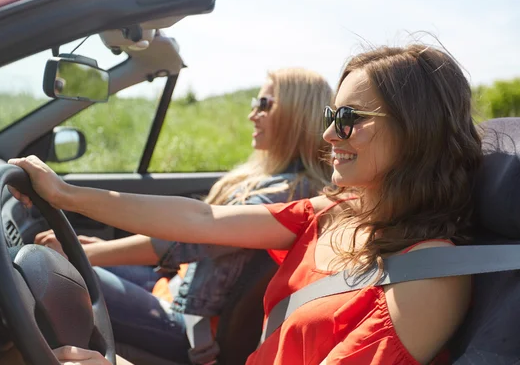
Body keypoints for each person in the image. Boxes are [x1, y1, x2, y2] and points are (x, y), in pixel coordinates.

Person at [11, 43, 483, 365]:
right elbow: (201, 218)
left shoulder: (429, 276)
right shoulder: (334, 211)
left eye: (348, 118)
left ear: (415, 129)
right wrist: (66, 194)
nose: (327, 134)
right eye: (329, 116)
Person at [34, 68, 335, 362]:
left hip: (190, 326)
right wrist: (88, 249)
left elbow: (187, 239)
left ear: (297, 114)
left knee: (50, 278)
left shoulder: (289, 193)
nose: (252, 114)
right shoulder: (271, 177)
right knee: (56, 273)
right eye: (255, 103)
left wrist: (85, 253)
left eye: (265, 104)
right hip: (177, 289)